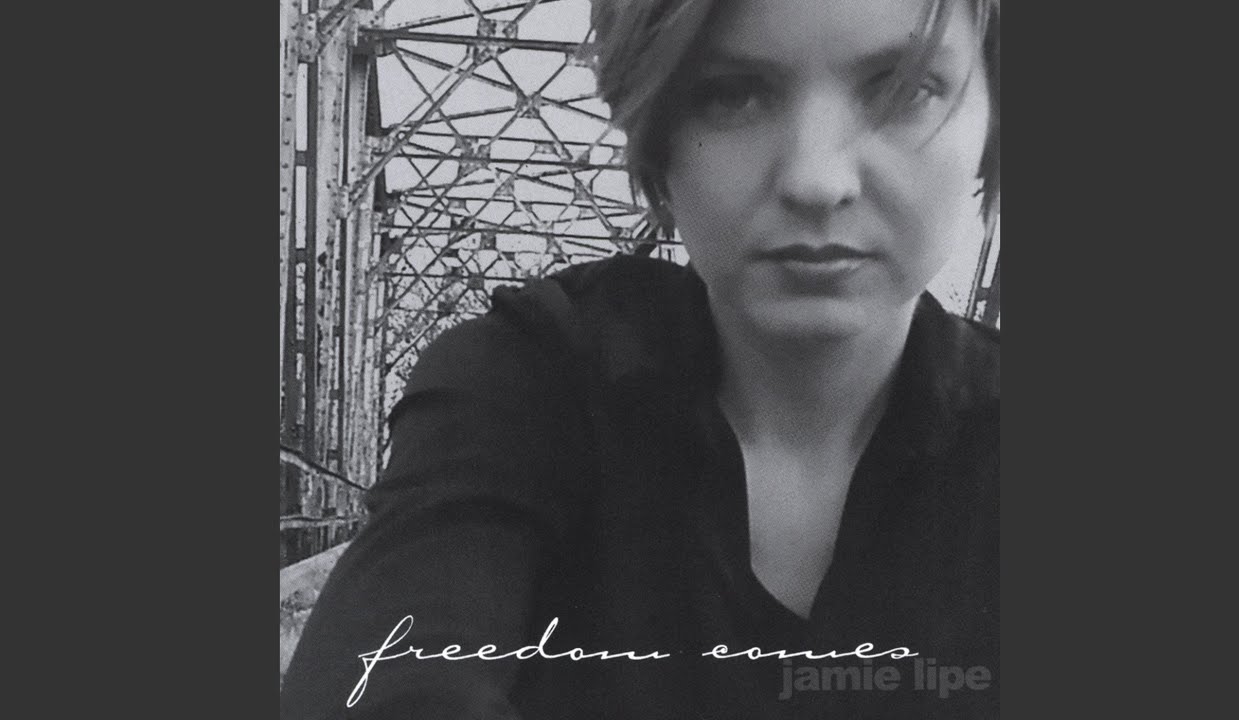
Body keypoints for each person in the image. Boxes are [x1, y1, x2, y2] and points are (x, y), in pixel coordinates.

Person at [280, 0, 1001, 717]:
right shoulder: (529, 376)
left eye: (904, 90)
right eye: (731, 94)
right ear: (655, 141)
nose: (817, 180)